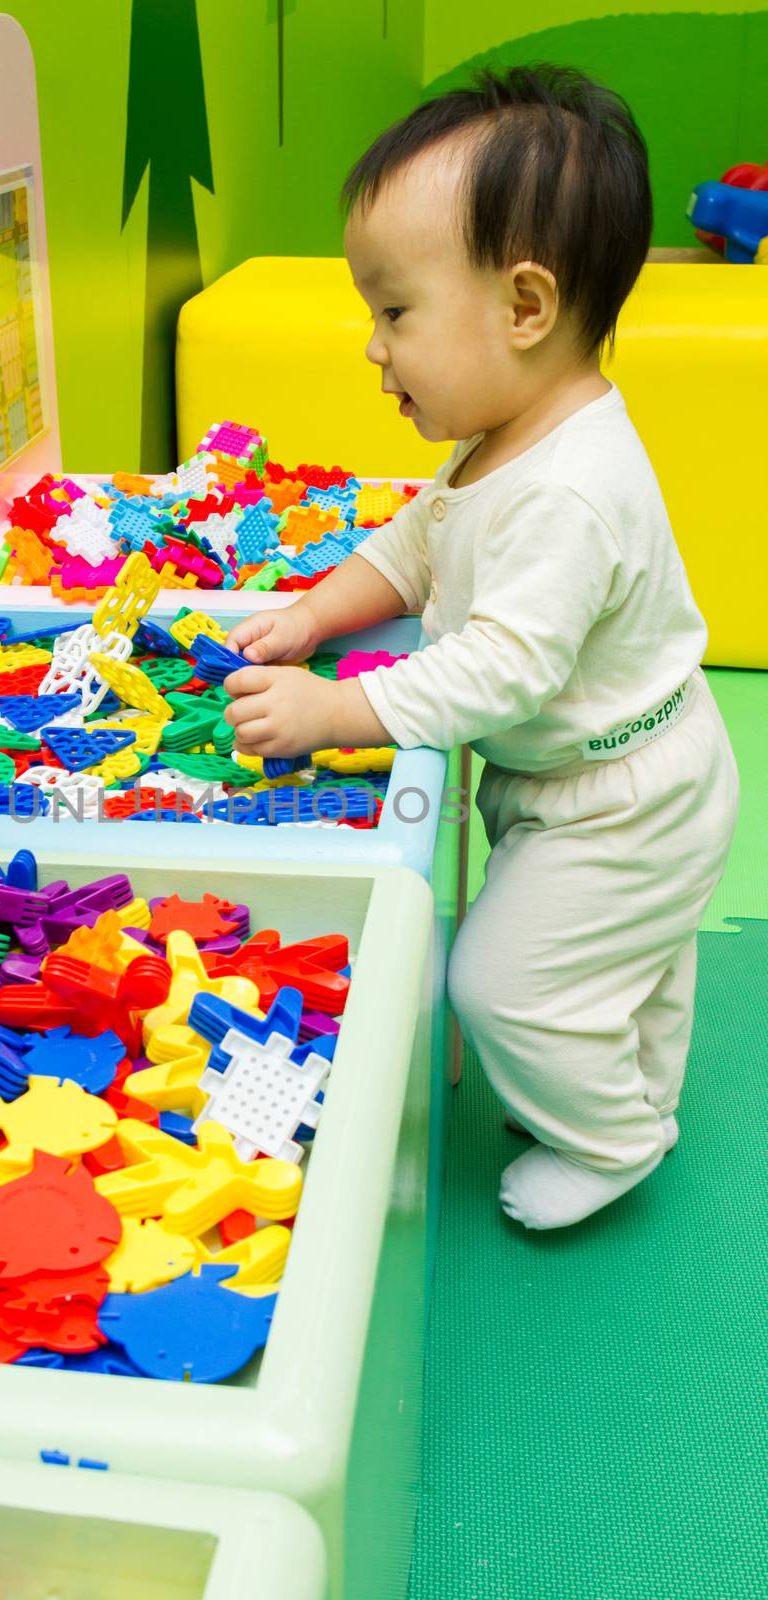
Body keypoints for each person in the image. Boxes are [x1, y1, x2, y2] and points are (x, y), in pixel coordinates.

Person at [223, 64, 740, 1230]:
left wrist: (335, 710)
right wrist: (317, 612)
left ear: (522, 307)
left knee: (502, 982)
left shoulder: (568, 488)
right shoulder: (502, 438)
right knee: (626, 962)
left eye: (393, 312)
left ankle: (614, 1139)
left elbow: (505, 667)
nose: (371, 347)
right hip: (595, 769)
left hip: (623, 796)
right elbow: (414, 545)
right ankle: (619, 1083)